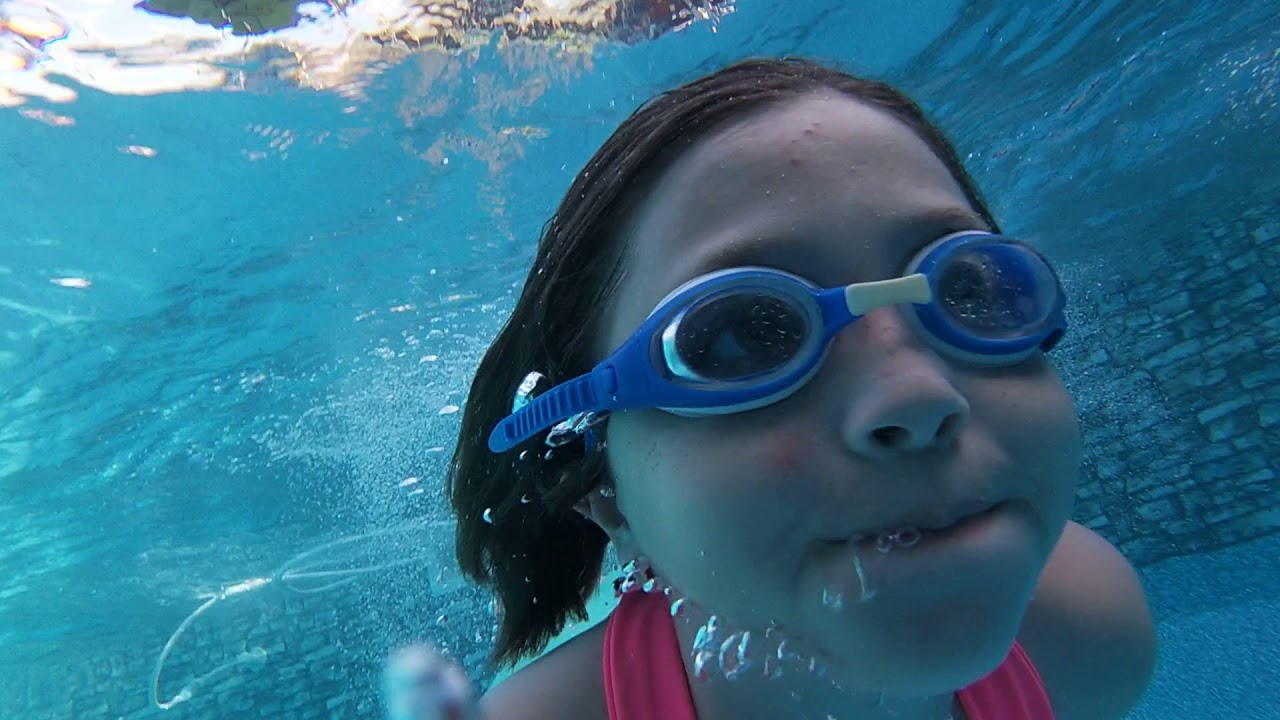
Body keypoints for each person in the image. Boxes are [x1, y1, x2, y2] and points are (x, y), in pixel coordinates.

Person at [443, 57, 1157, 720]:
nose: (918, 394)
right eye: (741, 337)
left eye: (971, 288)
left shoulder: (1091, 630)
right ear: (607, 496)